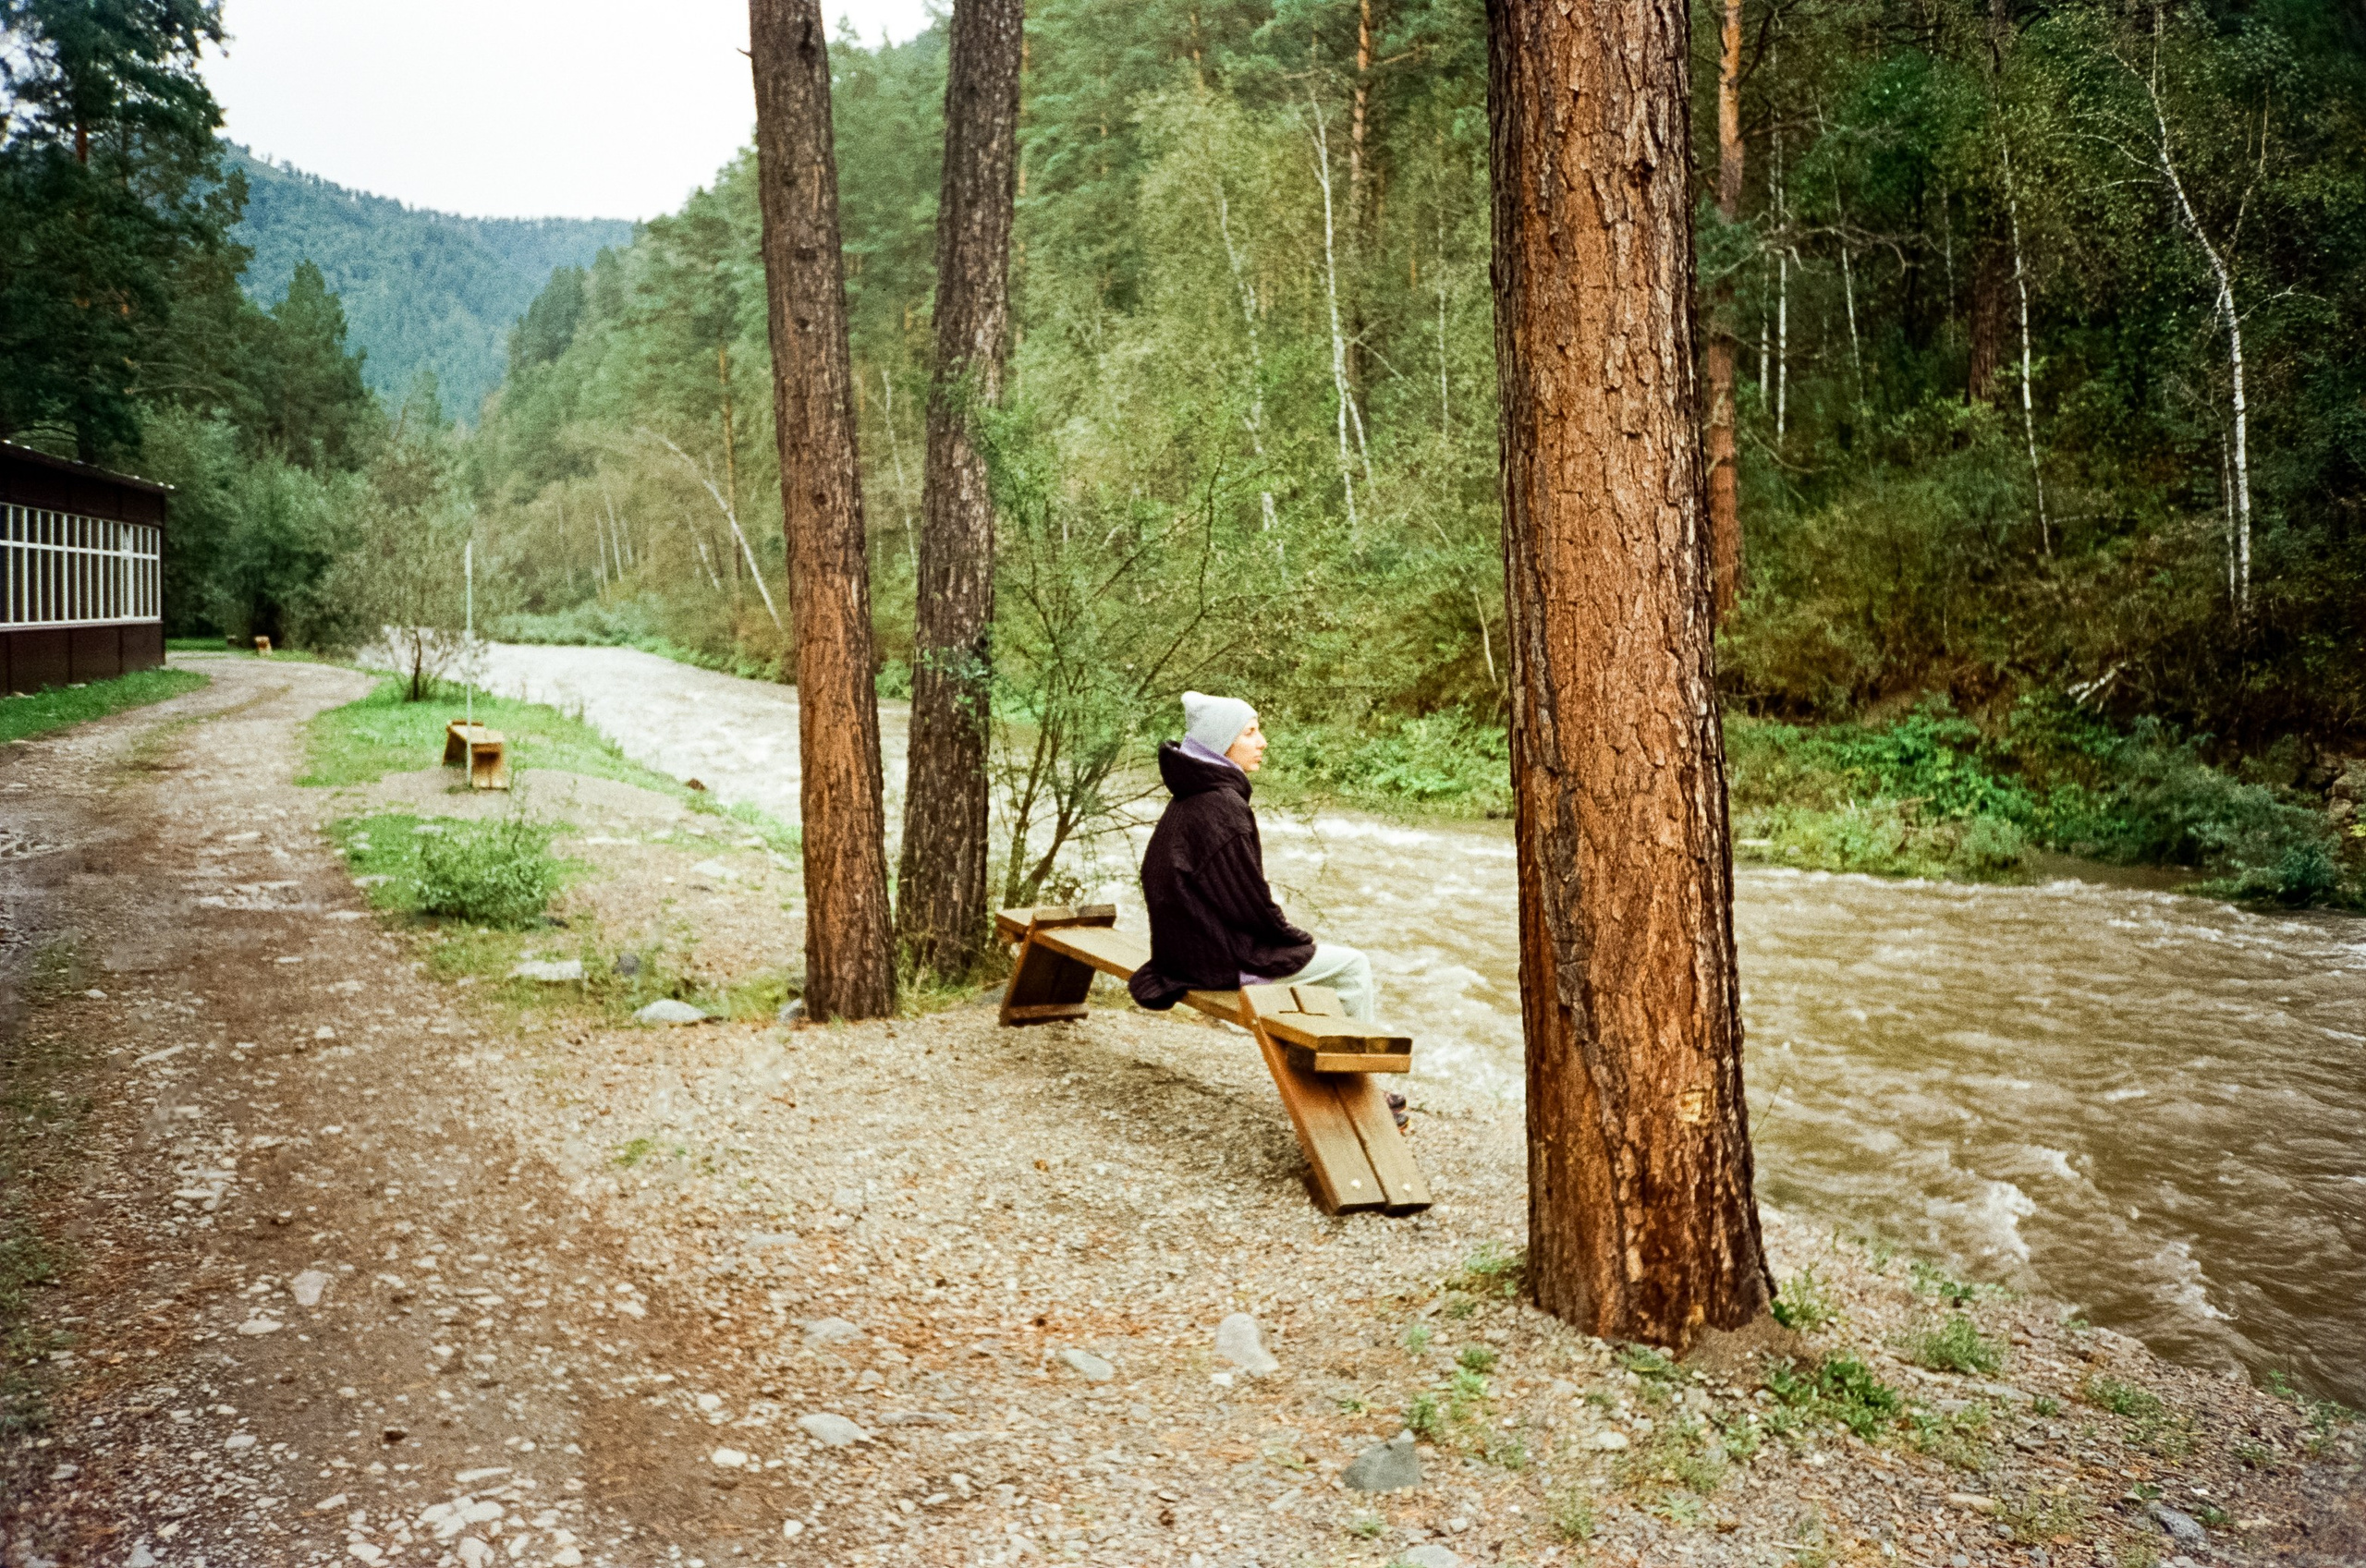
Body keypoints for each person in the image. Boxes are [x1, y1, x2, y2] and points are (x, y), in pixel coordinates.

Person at [1127, 691, 1378, 1022]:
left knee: (1322, 964)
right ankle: (1353, 1065)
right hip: (1213, 962)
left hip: (1184, 954)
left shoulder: (1190, 797)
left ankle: (1323, 1058)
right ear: (1221, 742)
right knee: (1352, 967)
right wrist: (1296, 939)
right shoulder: (1221, 807)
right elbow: (1249, 905)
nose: (1263, 742)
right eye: (1250, 732)